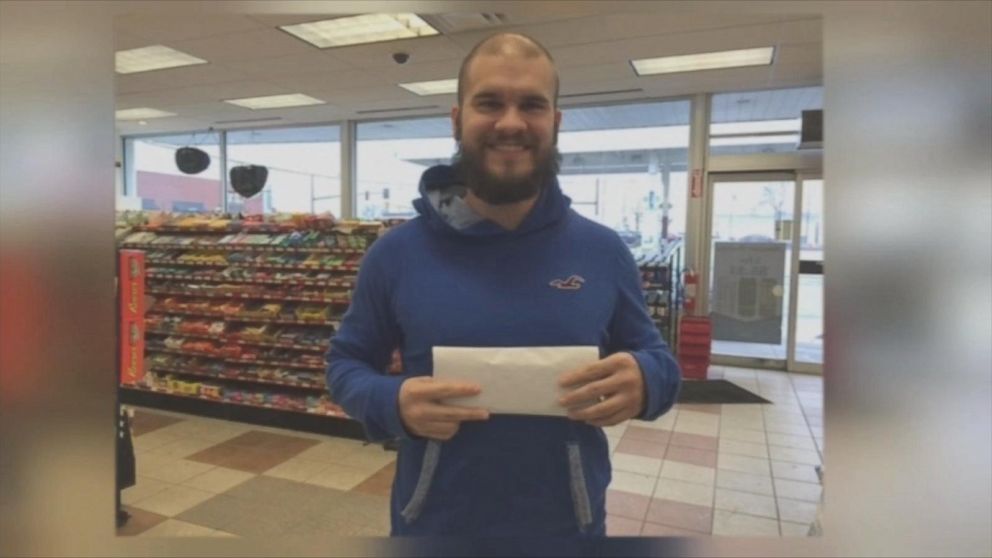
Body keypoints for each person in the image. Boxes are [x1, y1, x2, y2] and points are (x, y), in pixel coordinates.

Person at [326, 32, 681, 537]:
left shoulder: (603, 251)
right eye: (489, 103)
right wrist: (390, 401)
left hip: (567, 531)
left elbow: (660, 361)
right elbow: (345, 364)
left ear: (555, 123)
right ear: (457, 119)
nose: (510, 123)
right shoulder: (396, 254)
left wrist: (647, 379)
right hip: (433, 526)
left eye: (531, 105)